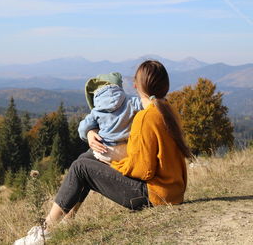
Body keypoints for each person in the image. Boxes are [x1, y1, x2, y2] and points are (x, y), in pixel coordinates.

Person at [14, 60, 191, 245]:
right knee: (86, 159)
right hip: (172, 190)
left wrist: (110, 163)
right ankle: (65, 221)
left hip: (155, 195)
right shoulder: (167, 110)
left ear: (136, 85)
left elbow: (143, 170)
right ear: (166, 86)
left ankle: (45, 231)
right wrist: (92, 133)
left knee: (81, 167)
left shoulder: (145, 118)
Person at [78, 72, 143, 163]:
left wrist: (88, 132)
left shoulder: (97, 109)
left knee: (82, 160)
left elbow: (83, 128)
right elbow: (146, 104)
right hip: (128, 150)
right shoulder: (132, 101)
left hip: (105, 151)